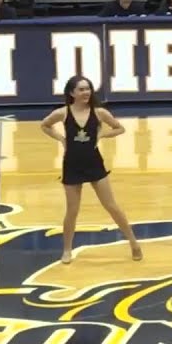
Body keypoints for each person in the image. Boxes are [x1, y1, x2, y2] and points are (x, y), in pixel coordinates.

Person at [39, 76, 143, 264]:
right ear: (72, 93)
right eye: (81, 89)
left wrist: (103, 134)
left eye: (88, 89)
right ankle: (67, 250)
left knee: (111, 206)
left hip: (94, 163)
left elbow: (119, 128)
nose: (86, 92)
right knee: (72, 210)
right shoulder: (63, 113)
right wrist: (61, 139)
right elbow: (44, 125)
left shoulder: (99, 112)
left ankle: (134, 243)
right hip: (71, 164)